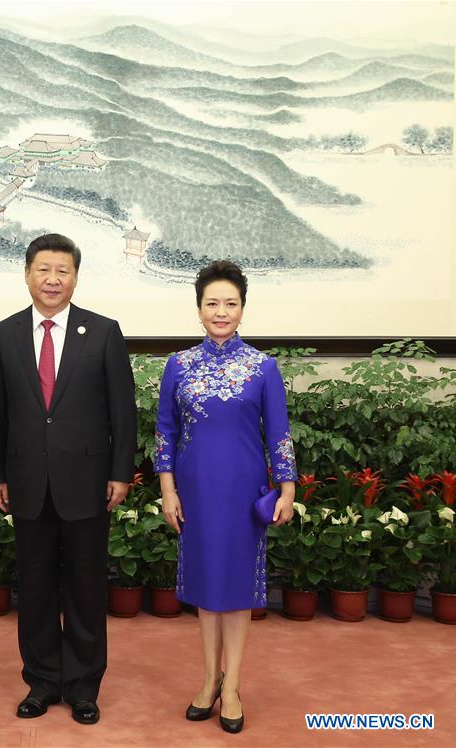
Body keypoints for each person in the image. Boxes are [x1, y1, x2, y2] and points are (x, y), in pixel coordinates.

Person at [0, 233, 137, 725]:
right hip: (27, 482)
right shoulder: (5, 333)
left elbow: (122, 411)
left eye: (63, 271)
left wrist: (120, 473)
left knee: (87, 590)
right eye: (43, 269)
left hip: (89, 481)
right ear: (27, 273)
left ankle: (84, 686)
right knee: (34, 589)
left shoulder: (104, 331)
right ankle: (42, 681)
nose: (53, 279)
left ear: (76, 276)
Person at [155, 260, 296, 734]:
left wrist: (287, 488)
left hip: (243, 493)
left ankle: (232, 684)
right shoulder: (178, 365)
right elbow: (165, 434)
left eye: (230, 303)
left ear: (242, 309)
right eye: (212, 303)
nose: (221, 311)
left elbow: (278, 433)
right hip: (194, 492)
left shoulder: (263, 367)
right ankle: (208, 679)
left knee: (235, 592)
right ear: (198, 309)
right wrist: (168, 491)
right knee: (205, 590)